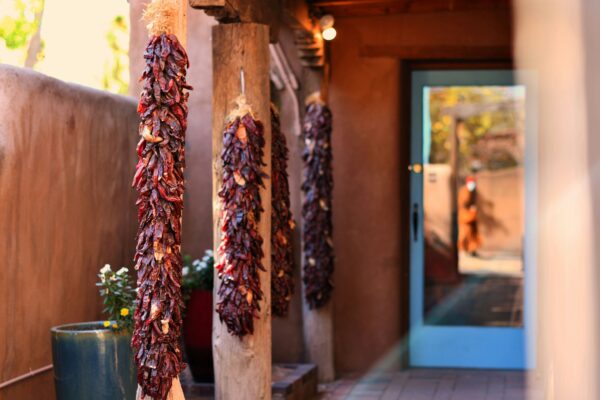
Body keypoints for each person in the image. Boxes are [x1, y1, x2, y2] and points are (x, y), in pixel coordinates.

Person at [457, 175, 482, 256]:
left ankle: (472, 250)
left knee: (473, 234)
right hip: (465, 217)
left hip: (471, 216)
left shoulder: (473, 191)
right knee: (464, 234)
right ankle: (463, 250)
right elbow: (463, 202)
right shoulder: (464, 191)